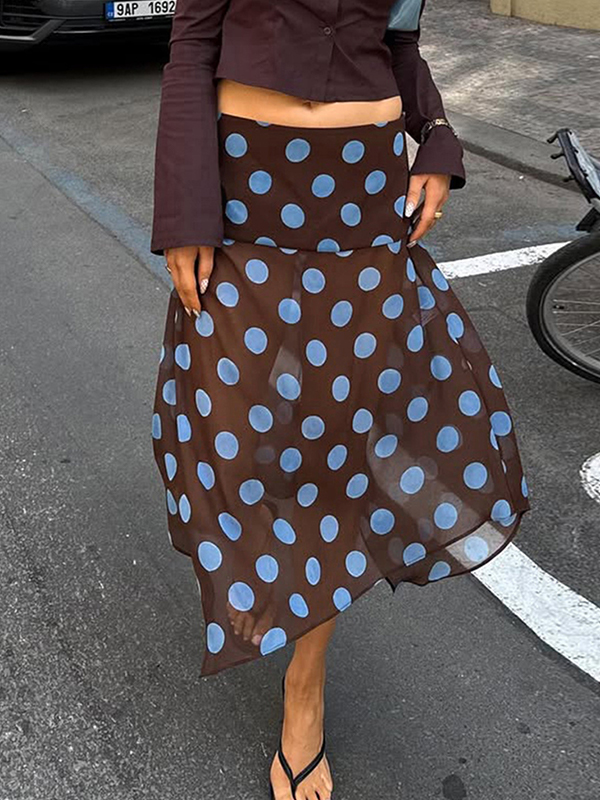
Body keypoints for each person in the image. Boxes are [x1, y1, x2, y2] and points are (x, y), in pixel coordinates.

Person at [149, 1, 532, 798]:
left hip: (364, 193)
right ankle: (261, 577)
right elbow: (193, 46)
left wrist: (436, 136)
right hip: (248, 186)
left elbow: (399, 41)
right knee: (237, 428)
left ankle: (306, 682)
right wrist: (185, 209)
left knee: (338, 442)